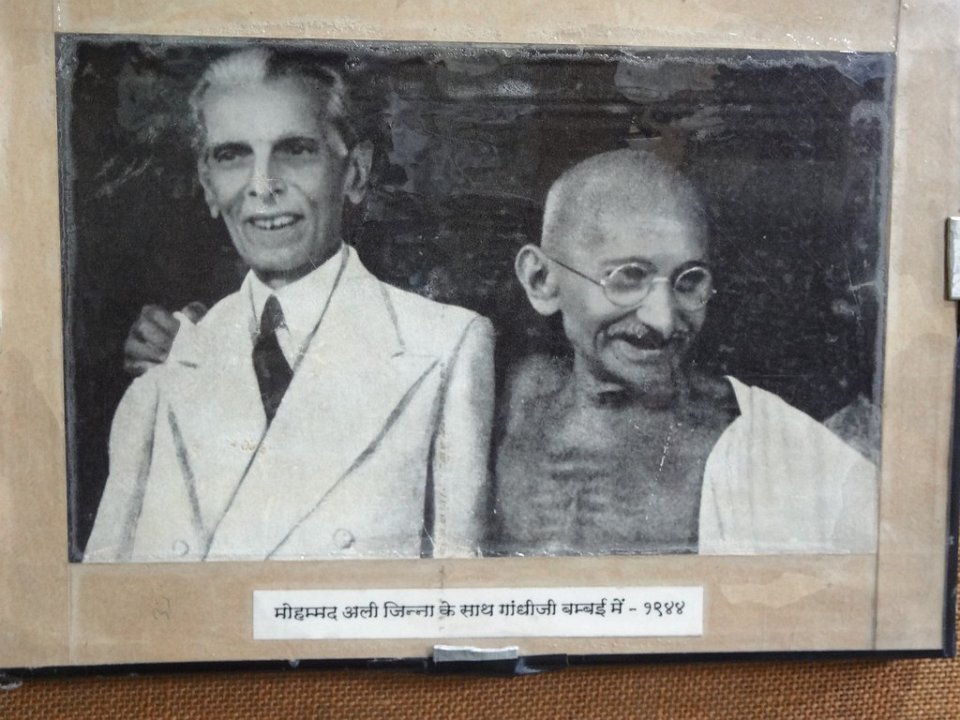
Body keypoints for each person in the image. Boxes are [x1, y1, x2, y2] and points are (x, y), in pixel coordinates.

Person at [84, 48, 494, 563]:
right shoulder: (167, 370)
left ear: (356, 172)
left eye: (296, 150)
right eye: (232, 155)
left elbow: (454, 585)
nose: (262, 185)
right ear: (208, 184)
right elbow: (107, 589)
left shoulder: (444, 349)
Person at [488, 149, 877, 556]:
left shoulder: (756, 448)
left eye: (689, 282)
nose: (663, 321)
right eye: (628, 278)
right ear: (541, 280)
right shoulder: (506, 405)